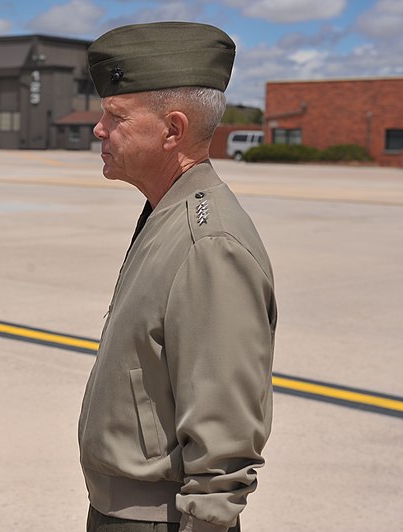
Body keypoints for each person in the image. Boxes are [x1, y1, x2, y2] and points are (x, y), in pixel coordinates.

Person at [78, 22, 277, 532]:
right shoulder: (168, 211)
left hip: (159, 521)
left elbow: (225, 425)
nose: (99, 129)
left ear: (173, 129)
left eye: (116, 116)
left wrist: (208, 518)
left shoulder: (208, 243)